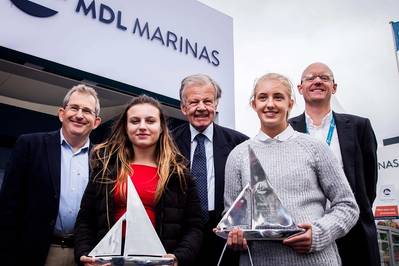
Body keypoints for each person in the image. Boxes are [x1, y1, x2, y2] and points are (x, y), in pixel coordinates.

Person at [224, 73, 359, 265]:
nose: (270, 104)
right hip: (260, 260)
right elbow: (232, 215)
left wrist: (318, 234)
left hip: (315, 260)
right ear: (254, 105)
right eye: (263, 97)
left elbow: (347, 205)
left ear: (290, 103)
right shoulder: (238, 155)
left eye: (278, 97)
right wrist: (235, 235)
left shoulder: (315, 148)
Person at [74, 95, 203, 266]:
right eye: (135, 121)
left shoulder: (179, 172)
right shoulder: (105, 167)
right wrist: (85, 255)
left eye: (150, 121)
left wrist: (178, 257)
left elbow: (194, 226)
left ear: (162, 127)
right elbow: (85, 220)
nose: (142, 127)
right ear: (126, 127)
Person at [289, 62, 380, 266]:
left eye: (324, 77)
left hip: (353, 230)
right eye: (311, 78)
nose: (318, 81)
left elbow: (369, 181)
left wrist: (350, 212)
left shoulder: (359, 126)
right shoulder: (287, 129)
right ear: (300, 88)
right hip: (306, 229)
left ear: (334, 87)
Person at [0, 84, 101, 266]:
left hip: (84, 257)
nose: (79, 115)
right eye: (74, 108)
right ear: (62, 113)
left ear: (96, 122)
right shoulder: (30, 145)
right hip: (34, 253)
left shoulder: (103, 160)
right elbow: (8, 206)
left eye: (87, 111)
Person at [172, 74, 248, 266]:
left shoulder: (240, 144)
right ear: (183, 108)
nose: (201, 108)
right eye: (194, 102)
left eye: (207, 101)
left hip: (224, 235)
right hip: (180, 237)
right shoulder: (167, 143)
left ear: (216, 105)